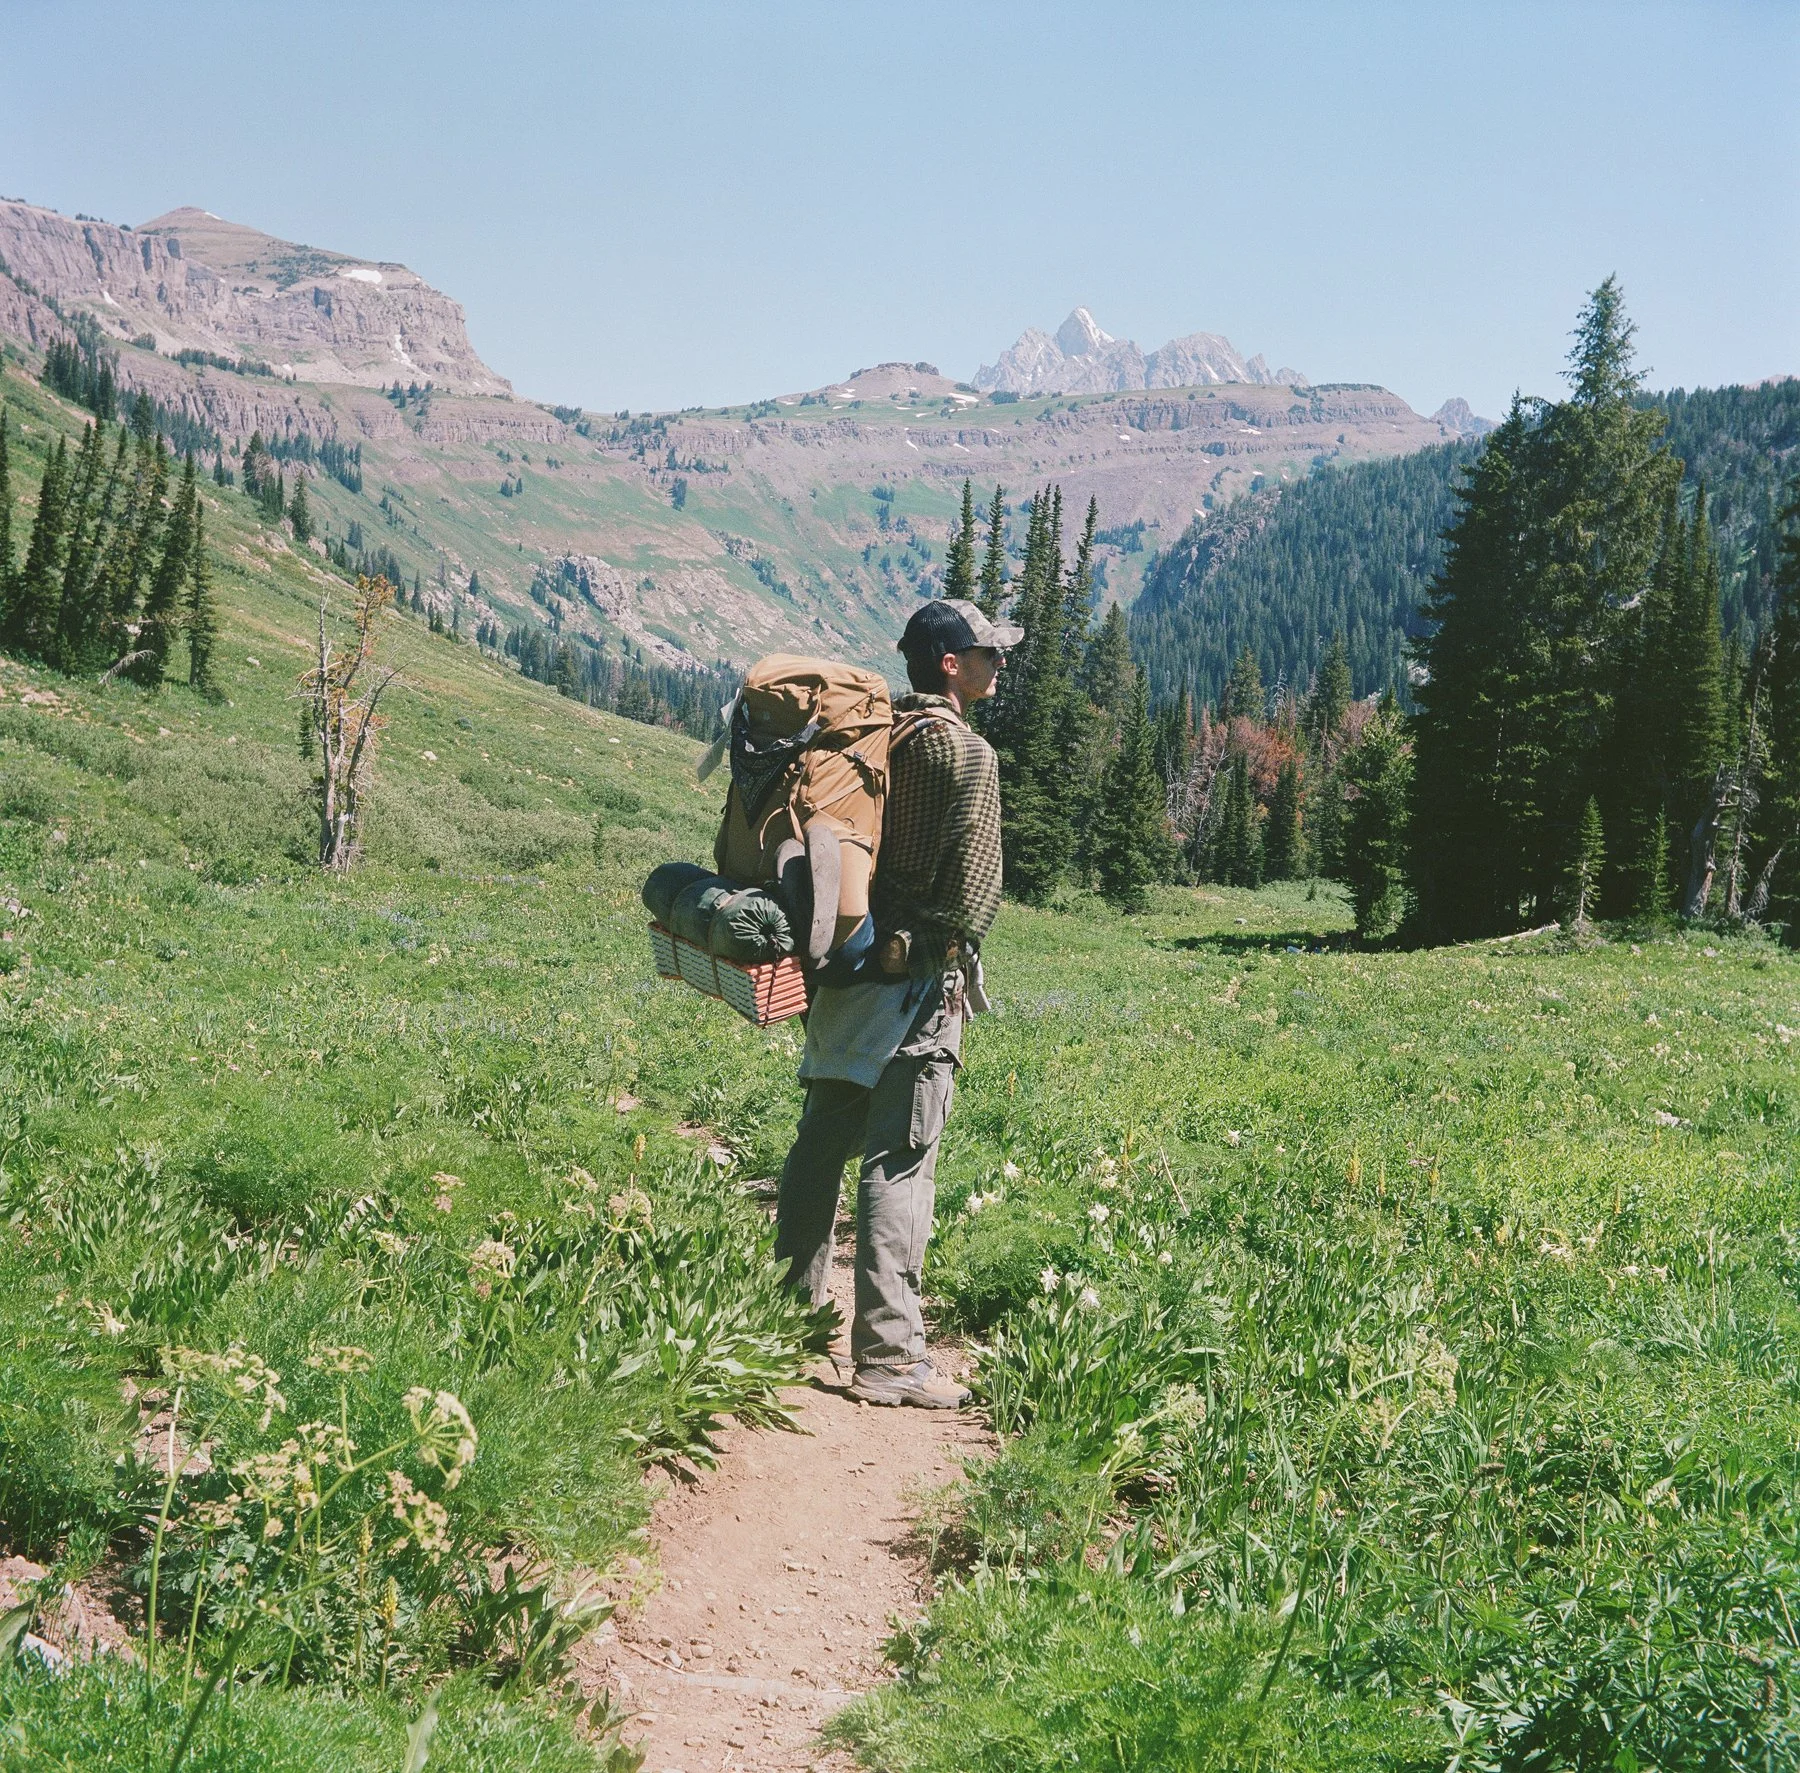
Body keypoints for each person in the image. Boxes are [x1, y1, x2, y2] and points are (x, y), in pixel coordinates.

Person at [773, 598, 1020, 1408]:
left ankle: (782, 1327)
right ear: (950, 663)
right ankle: (887, 1357)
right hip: (916, 982)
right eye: (987, 650)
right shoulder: (967, 754)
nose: (998, 662)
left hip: (844, 967)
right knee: (900, 1159)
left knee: (820, 1145)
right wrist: (947, 949)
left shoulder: (879, 739)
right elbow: (975, 896)